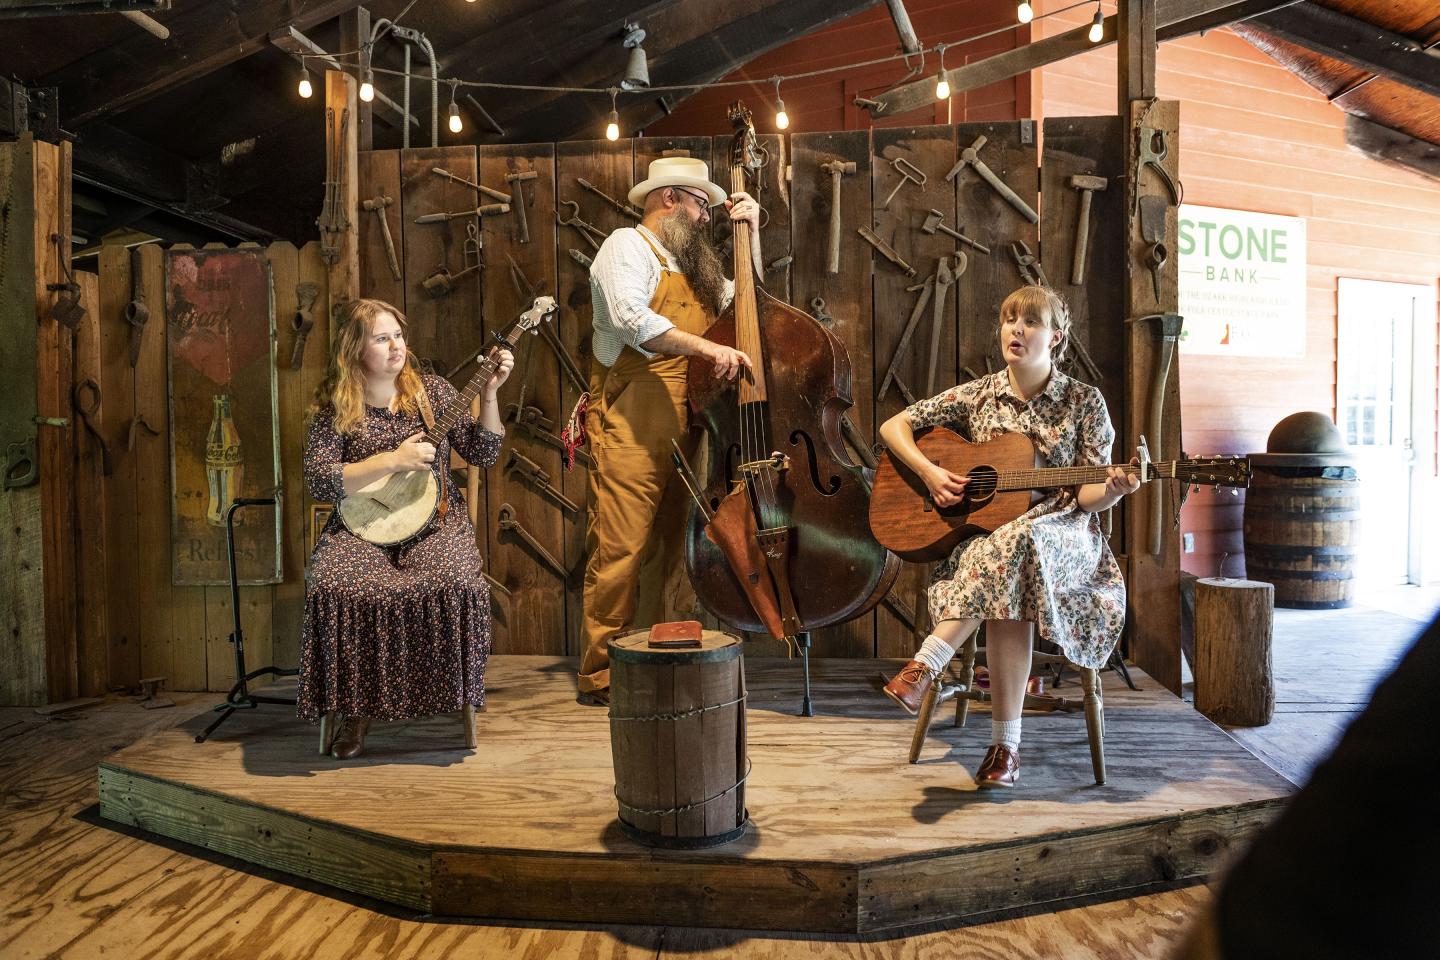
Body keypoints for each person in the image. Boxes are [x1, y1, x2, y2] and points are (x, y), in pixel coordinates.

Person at [877, 285, 1140, 788]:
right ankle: (1006, 748)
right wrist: (931, 473)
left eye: (1030, 322)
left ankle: (927, 663)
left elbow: (1086, 498)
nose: (1016, 330)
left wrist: (1113, 491)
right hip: (996, 538)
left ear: (1055, 337)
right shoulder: (978, 393)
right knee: (1011, 559)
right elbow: (894, 427)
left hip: (1065, 535)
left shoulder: (1085, 402)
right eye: (1009, 320)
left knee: (1021, 545)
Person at [576, 156, 761, 705]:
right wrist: (707, 347)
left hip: (686, 421)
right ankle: (602, 673)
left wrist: (748, 238)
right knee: (620, 549)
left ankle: (647, 660)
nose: (707, 218)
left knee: (666, 548)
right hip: (632, 418)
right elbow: (633, 319)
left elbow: (744, 303)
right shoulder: (625, 247)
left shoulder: (696, 268)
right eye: (702, 205)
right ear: (670, 199)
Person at [298, 298, 513, 759]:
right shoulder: (337, 406)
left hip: (436, 524)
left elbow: (483, 452)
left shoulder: (430, 392)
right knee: (335, 582)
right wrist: (391, 460)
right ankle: (355, 710)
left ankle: (436, 694)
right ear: (354, 349)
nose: (396, 346)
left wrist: (490, 394)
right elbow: (319, 478)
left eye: (398, 334)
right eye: (381, 338)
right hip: (361, 526)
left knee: (453, 580)